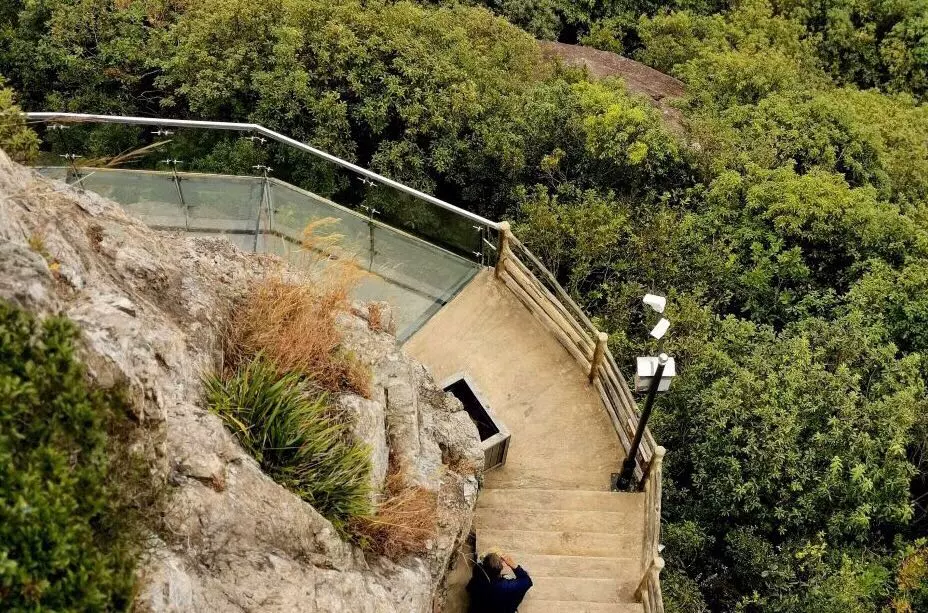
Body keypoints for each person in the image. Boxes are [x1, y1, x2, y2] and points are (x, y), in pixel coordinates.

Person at [467, 551, 533, 613]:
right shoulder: (508, 587)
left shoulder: (476, 584)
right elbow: (527, 581)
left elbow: (469, 588)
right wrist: (513, 565)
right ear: (500, 568)